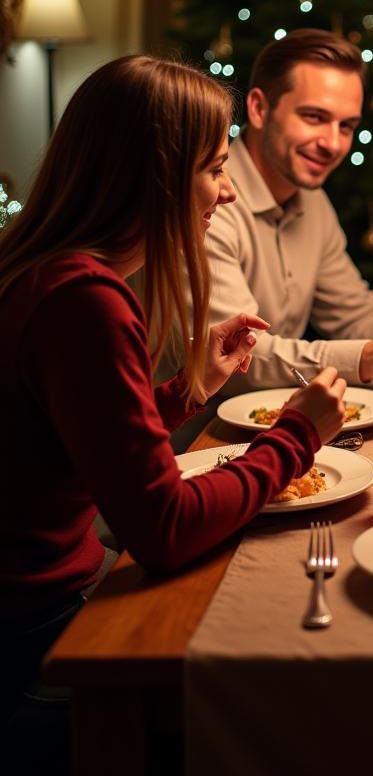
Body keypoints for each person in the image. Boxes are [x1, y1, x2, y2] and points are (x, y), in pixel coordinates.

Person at [0, 56, 349, 739]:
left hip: (37, 603)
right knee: (282, 693)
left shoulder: (53, 275)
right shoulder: (85, 301)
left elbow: (79, 444)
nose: (226, 192)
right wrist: (297, 437)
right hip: (33, 639)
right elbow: (163, 529)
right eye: (215, 169)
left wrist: (187, 391)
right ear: (156, 179)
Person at [196, 29, 373, 392]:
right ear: (258, 108)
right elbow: (237, 356)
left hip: (276, 421)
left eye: (346, 126)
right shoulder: (206, 201)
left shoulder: (312, 202)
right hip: (191, 433)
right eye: (314, 117)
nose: (333, 144)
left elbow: (353, 312)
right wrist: (364, 359)